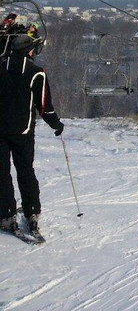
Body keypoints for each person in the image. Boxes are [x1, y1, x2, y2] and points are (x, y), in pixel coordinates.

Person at [0, 17, 63, 238]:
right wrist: (57, 125)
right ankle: (32, 212)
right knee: (25, 170)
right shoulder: (36, 73)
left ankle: (7, 214)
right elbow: (44, 107)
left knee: (2, 173)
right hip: (23, 131)